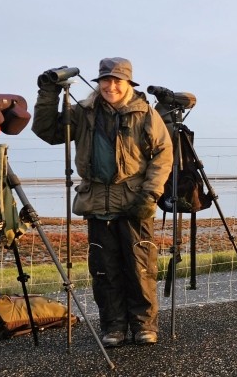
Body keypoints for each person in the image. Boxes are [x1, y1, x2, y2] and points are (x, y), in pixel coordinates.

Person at [32, 57, 174, 346]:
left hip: (135, 200)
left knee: (140, 267)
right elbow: (47, 131)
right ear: (98, 83)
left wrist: (150, 194)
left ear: (128, 83)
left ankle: (144, 325)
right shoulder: (83, 112)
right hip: (96, 201)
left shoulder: (145, 113)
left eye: (117, 81)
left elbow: (163, 153)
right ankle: (114, 327)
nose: (111, 86)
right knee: (104, 269)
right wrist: (48, 93)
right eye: (106, 81)